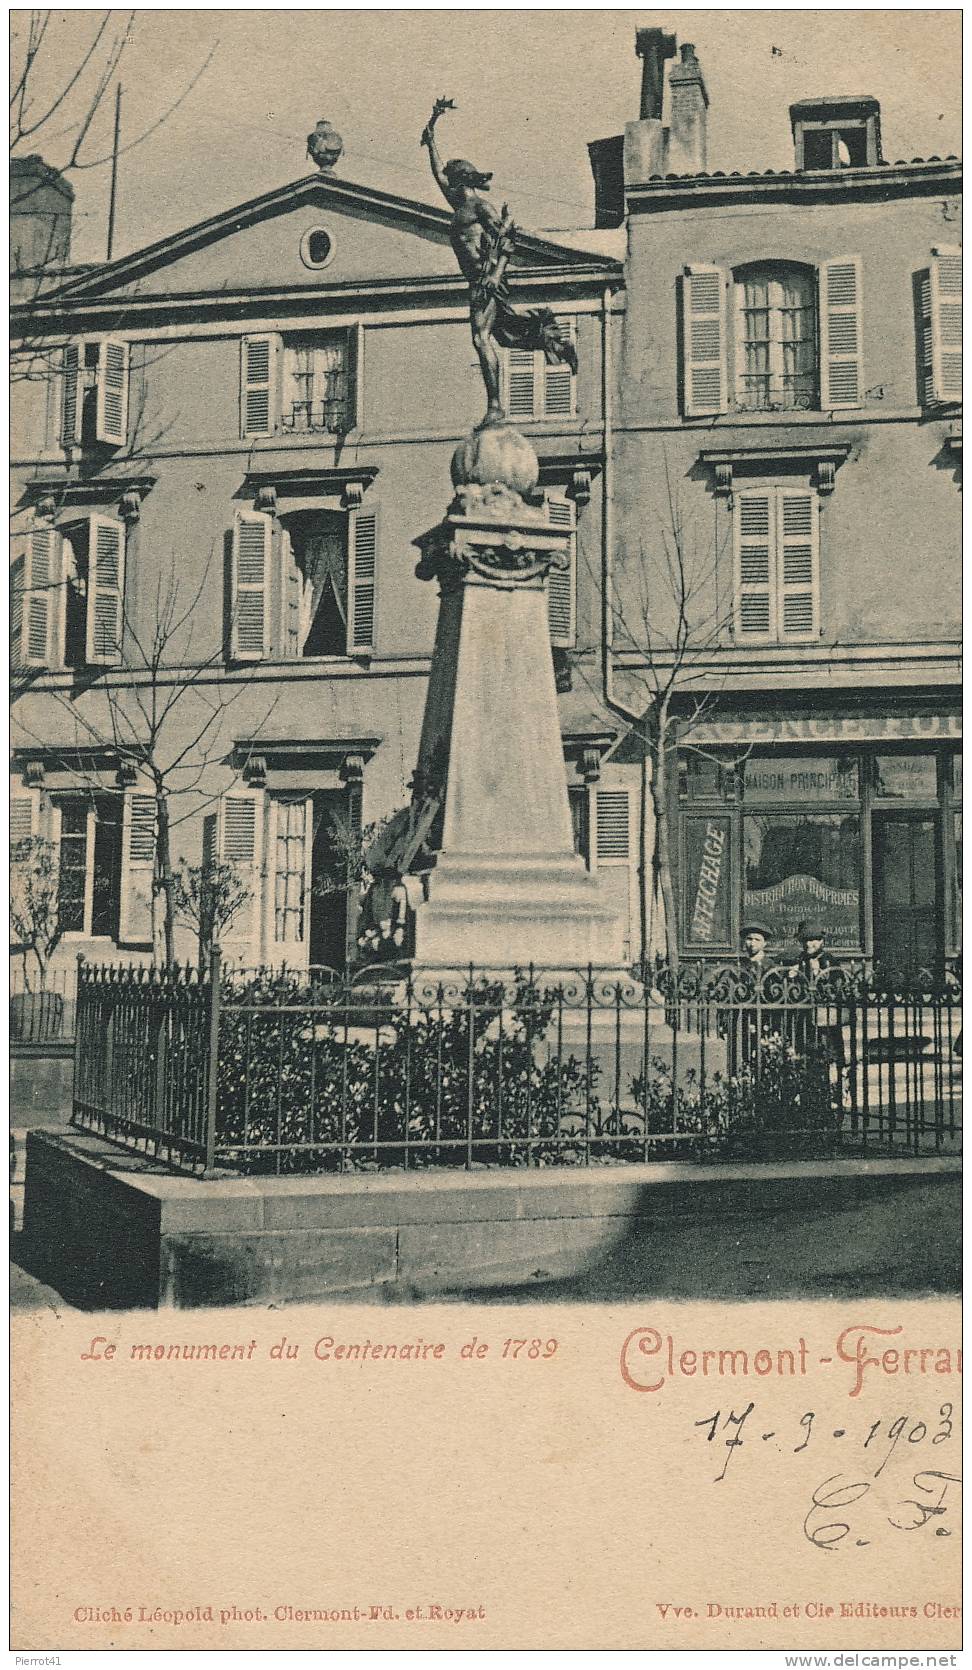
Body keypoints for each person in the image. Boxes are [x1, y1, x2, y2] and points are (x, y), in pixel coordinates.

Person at [421, 97, 577, 424]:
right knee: (504, 334)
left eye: (452, 176)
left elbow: (507, 240)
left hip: (488, 279)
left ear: (462, 179)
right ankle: (558, 345)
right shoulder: (457, 204)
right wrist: (433, 128)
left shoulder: (481, 208)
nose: (445, 180)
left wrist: (495, 276)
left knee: (481, 339)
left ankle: (495, 406)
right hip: (477, 282)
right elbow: (436, 168)